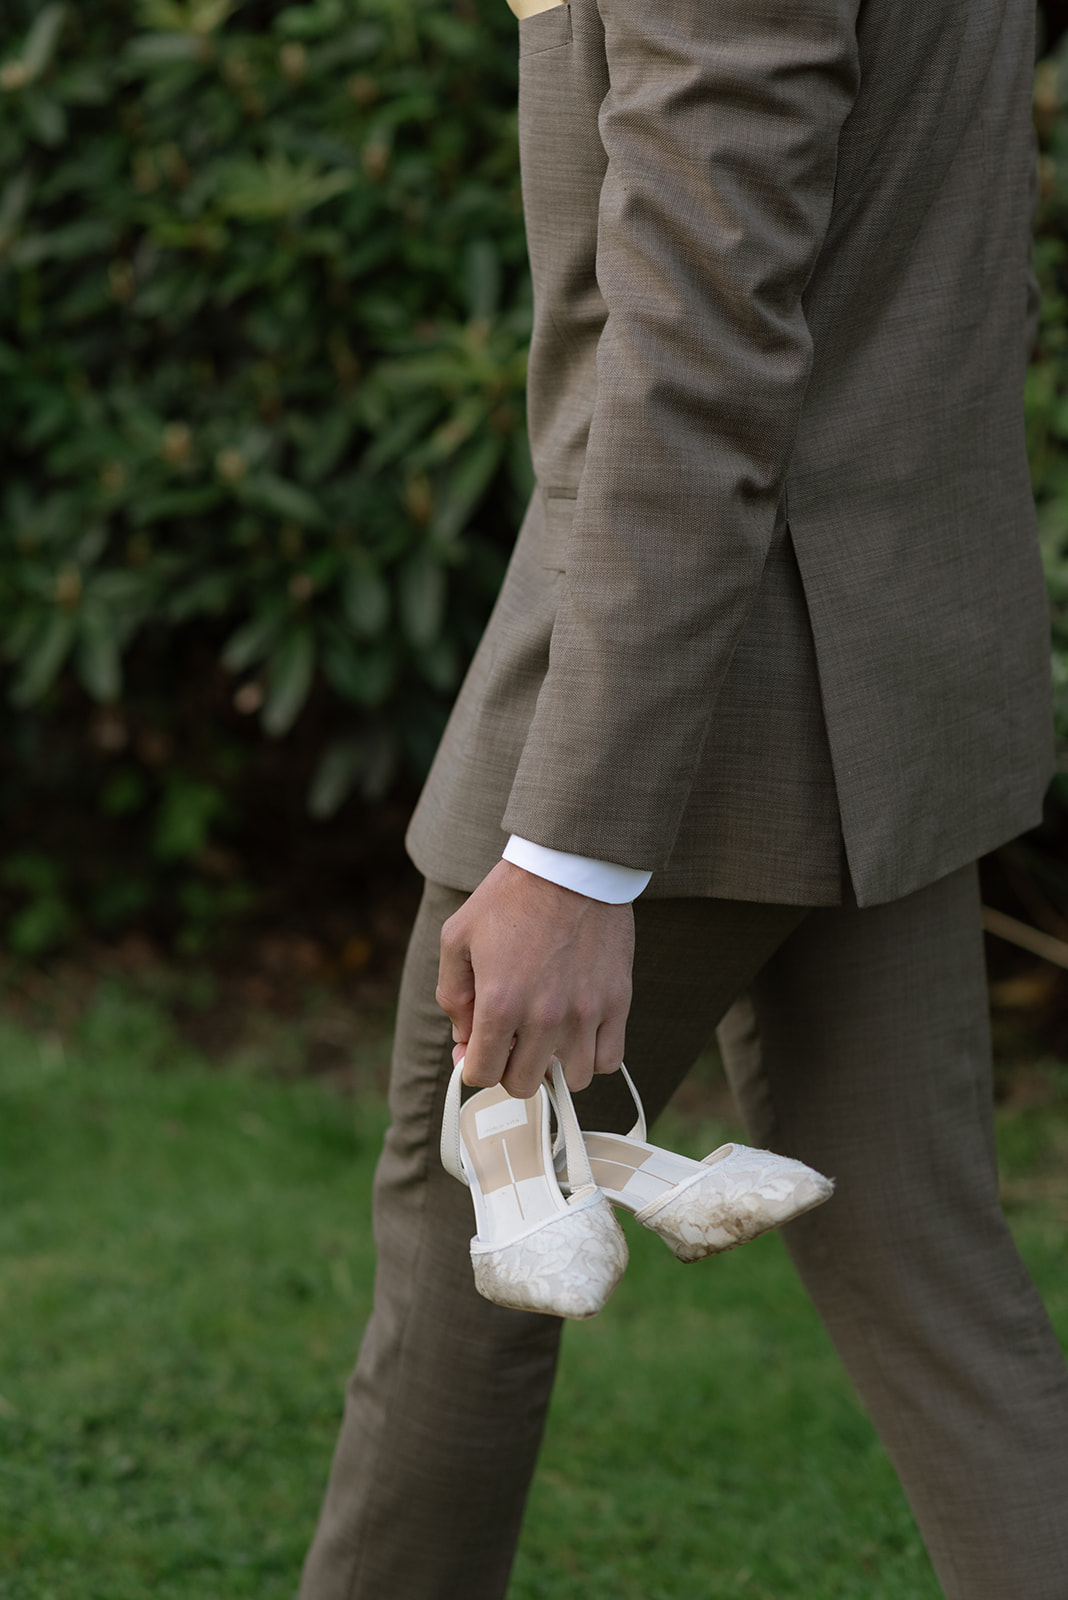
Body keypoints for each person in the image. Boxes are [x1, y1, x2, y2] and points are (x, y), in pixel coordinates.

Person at [300, 0, 1068, 1593]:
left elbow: (700, 352)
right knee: (928, 1274)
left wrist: (573, 856)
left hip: (692, 693)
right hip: (874, 665)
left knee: (470, 1236)